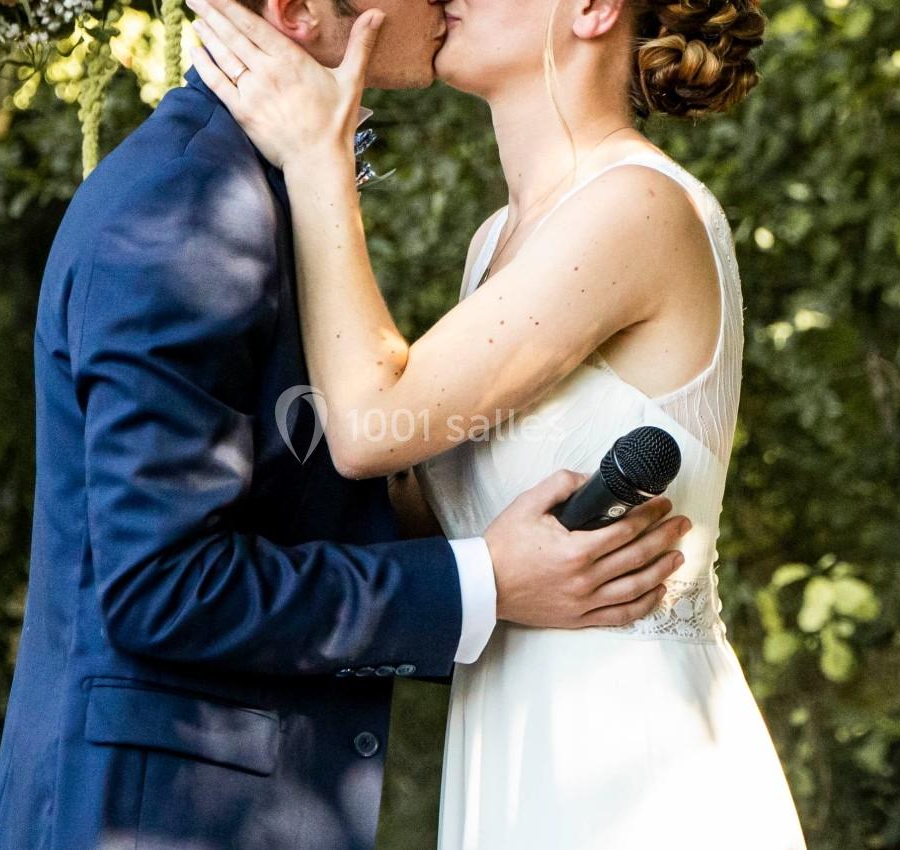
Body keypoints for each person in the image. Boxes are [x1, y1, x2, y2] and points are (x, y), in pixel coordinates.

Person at [0, 0, 691, 848]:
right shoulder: (185, 211)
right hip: (146, 819)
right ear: (296, 12)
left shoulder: (273, 193)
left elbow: (300, 503)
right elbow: (161, 586)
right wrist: (484, 582)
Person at [188, 0, 809, 846]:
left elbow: (370, 427)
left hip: (630, 762)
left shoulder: (638, 207)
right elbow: (418, 504)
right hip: (514, 745)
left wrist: (315, 154)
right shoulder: (498, 241)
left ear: (592, 9)